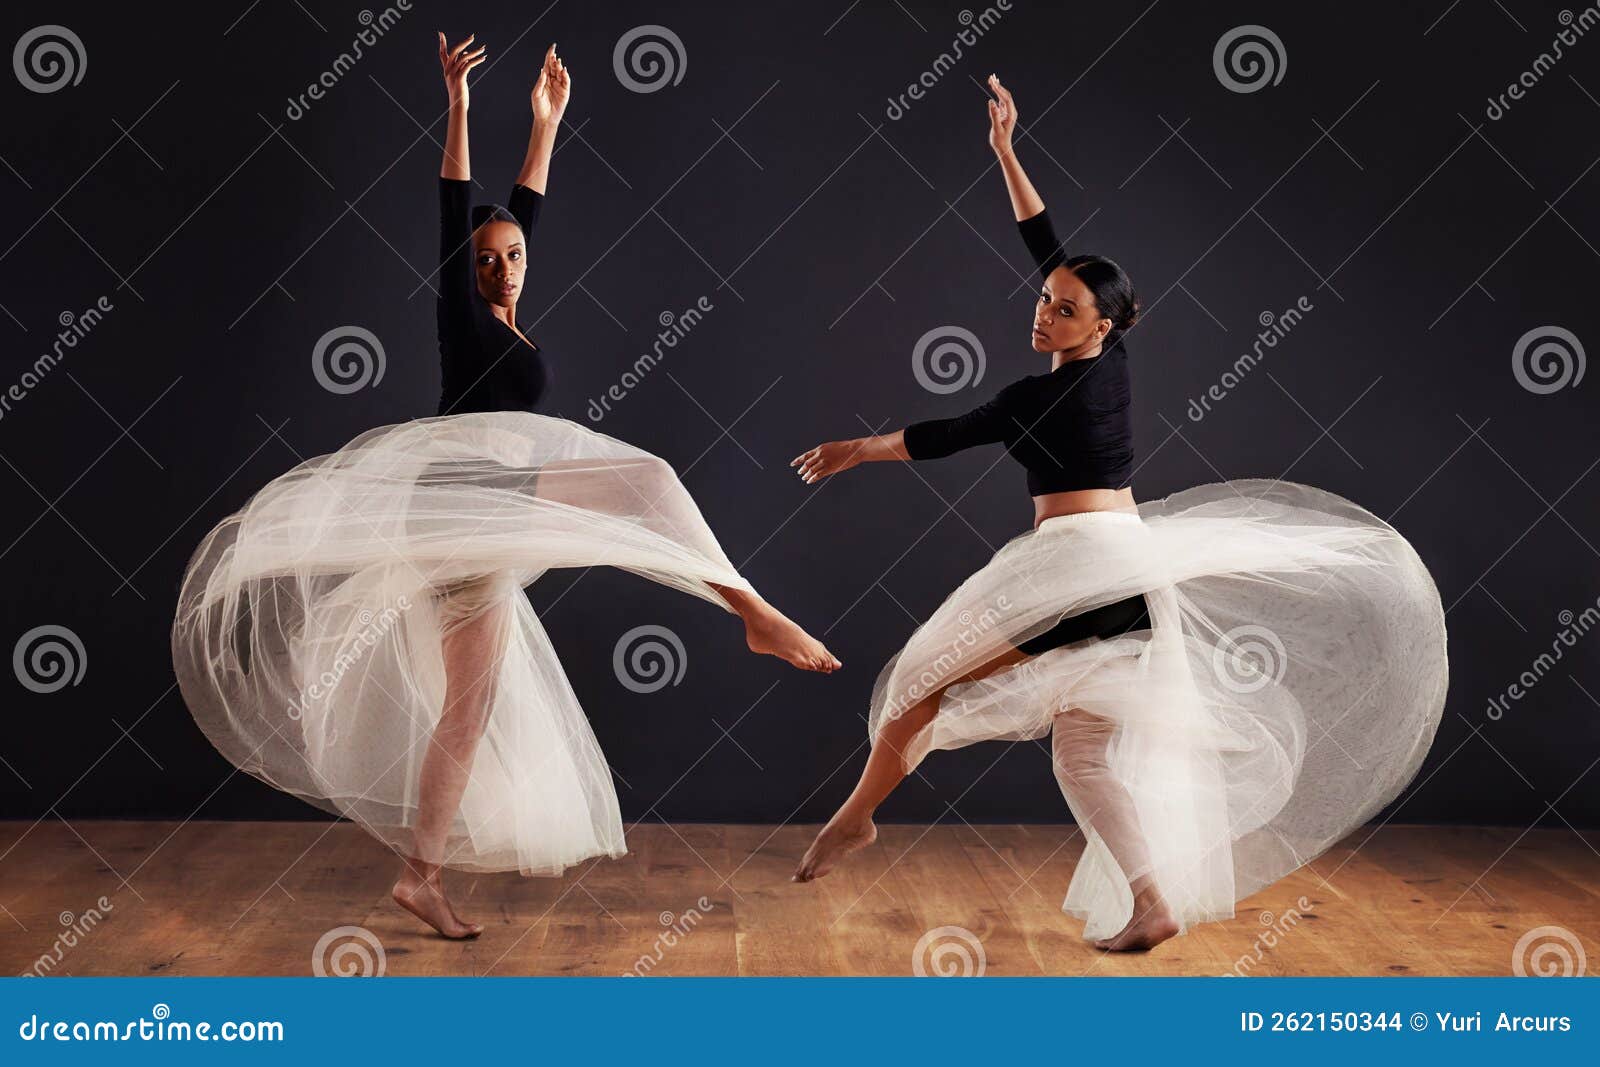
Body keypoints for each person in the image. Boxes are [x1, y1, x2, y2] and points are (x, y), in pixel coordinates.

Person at [171, 37, 838, 942]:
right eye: (486, 260)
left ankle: (421, 876)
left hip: (490, 508)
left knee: (469, 704)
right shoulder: (463, 310)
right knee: (647, 478)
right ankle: (752, 609)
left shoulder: (514, 302)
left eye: (513, 256)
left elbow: (523, 208)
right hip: (462, 496)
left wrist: (547, 122)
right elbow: (459, 210)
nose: (501, 267)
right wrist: (458, 105)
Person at [787, 75, 1447, 951]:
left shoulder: (1035, 399)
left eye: (1065, 310)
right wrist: (1007, 153)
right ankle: (1151, 900)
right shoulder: (1110, 358)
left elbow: (945, 434)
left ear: (1104, 324)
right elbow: (1046, 244)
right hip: (1124, 569)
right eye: (1045, 301)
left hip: (1076, 571)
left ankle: (858, 815)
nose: (1046, 312)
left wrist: (853, 449)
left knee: (919, 683)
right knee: (1082, 754)